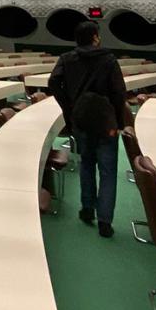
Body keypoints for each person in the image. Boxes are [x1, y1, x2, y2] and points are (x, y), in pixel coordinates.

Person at [47, 21, 128, 238]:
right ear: (95, 37)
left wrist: (69, 106)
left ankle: (87, 209)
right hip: (105, 121)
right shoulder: (109, 59)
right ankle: (105, 221)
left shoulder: (67, 58)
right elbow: (119, 92)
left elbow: (53, 83)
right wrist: (118, 122)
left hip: (81, 119)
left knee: (87, 164)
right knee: (108, 171)